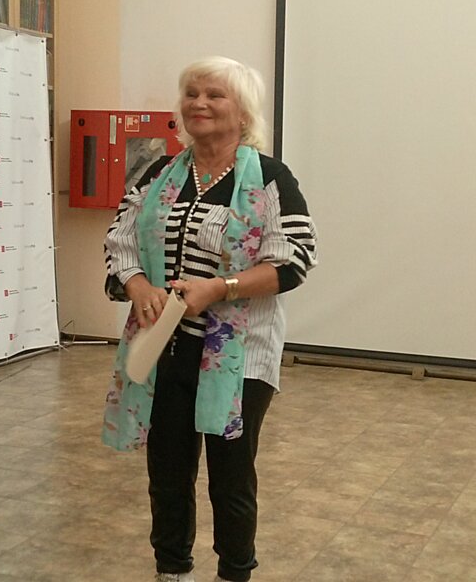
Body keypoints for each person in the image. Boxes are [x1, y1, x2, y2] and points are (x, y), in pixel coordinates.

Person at [101, 56, 318, 582]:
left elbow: (295, 259)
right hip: (165, 349)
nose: (199, 103)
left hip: (239, 358)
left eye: (214, 94)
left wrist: (220, 288)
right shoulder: (158, 173)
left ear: (242, 111)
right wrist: (138, 285)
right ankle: (171, 570)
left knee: (231, 476)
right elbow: (120, 240)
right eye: (191, 93)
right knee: (168, 471)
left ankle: (234, 573)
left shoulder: (270, 178)